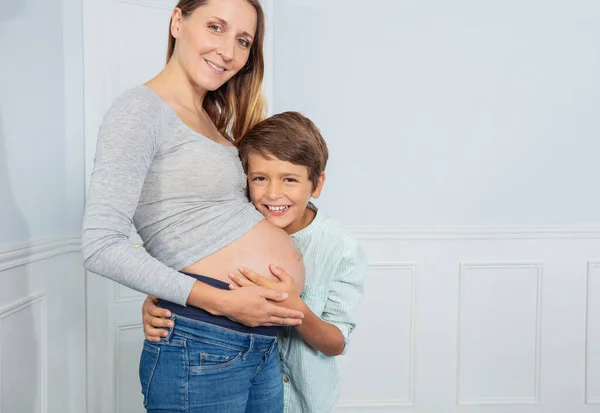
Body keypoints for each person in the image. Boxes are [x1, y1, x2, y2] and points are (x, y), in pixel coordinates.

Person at [81, 0, 306, 411]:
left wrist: (173, 290)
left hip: (256, 344)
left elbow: (193, 228)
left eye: (242, 40)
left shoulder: (212, 119)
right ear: (177, 21)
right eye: (216, 27)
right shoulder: (139, 110)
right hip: (203, 343)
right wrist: (216, 300)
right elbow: (100, 245)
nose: (228, 51)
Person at [143, 112, 368, 413]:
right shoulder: (231, 226)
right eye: (259, 178)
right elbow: (192, 267)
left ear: (317, 184)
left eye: (290, 179)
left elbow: (337, 342)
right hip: (236, 378)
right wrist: (159, 300)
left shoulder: (340, 247)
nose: (273, 193)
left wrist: (297, 309)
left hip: (303, 400)